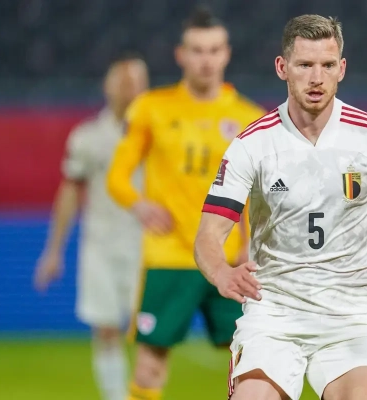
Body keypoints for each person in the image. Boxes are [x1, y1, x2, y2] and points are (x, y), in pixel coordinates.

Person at [194, 14, 367, 400]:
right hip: (273, 316)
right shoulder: (251, 146)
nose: (316, 78)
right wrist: (221, 271)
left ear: (342, 69)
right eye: (305, 65)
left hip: (351, 318)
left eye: (327, 65)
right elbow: (208, 234)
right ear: (282, 67)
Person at [105, 7, 266, 400]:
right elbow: (117, 176)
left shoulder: (250, 118)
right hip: (168, 256)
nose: (206, 60)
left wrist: (251, 241)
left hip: (229, 258)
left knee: (254, 362)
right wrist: (139, 205)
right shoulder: (152, 108)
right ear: (181, 55)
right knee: (150, 364)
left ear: (226, 54)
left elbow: (259, 194)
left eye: (214, 50)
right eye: (197, 50)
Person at [33, 53, 149, 400]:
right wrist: (54, 250)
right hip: (100, 243)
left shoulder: (158, 133)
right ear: (107, 86)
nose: (130, 89)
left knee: (149, 332)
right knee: (106, 328)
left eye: (136, 81)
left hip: (148, 245)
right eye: (123, 81)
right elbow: (69, 191)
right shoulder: (87, 137)